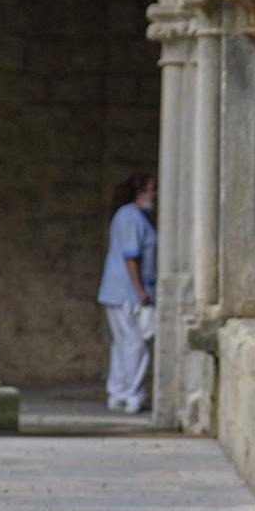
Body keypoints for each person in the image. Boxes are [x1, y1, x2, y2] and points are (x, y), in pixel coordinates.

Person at [97, 172, 158, 413]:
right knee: (136, 344)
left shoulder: (131, 216)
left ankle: (118, 391)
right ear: (140, 192)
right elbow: (131, 257)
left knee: (123, 343)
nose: (156, 195)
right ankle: (131, 393)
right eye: (153, 189)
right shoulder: (131, 217)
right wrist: (140, 290)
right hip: (128, 292)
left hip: (118, 290)